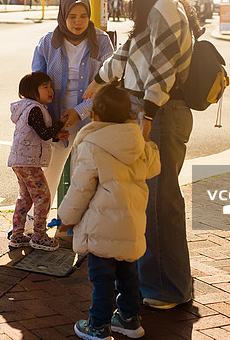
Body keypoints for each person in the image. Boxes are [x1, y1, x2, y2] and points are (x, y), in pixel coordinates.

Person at [83, 0, 203, 310]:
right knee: (150, 199)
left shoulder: (165, 7)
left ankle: (166, 288)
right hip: (155, 110)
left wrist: (147, 114)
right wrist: (100, 79)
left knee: (158, 202)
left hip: (161, 112)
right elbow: (130, 54)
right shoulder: (159, 10)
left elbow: (162, 68)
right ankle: (162, 283)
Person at [58, 82, 160, 340]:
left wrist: (66, 218)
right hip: (131, 223)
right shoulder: (137, 141)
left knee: (102, 277)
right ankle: (129, 319)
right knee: (128, 276)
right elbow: (153, 168)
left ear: (95, 114)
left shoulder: (92, 144)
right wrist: (147, 139)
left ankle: (98, 325)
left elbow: (81, 189)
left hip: (100, 226)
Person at [32, 0, 115, 204]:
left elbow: (109, 84)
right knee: (47, 176)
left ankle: (78, 222)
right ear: (63, 16)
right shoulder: (47, 43)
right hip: (57, 120)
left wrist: (80, 111)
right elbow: (36, 86)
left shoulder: (101, 41)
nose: (78, 22)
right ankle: (36, 221)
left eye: (83, 16)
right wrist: (48, 123)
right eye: (72, 16)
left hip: (91, 117)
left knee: (86, 177)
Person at [8, 71, 69, 251]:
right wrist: (61, 123)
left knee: (25, 198)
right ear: (32, 91)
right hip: (28, 162)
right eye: (45, 87)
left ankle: (17, 235)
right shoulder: (34, 109)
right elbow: (43, 133)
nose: (51, 90)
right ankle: (39, 236)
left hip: (20, 160)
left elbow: (38, 133)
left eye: (51, 86)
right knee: (43, 197)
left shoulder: (30, 108)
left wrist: (56, 135)